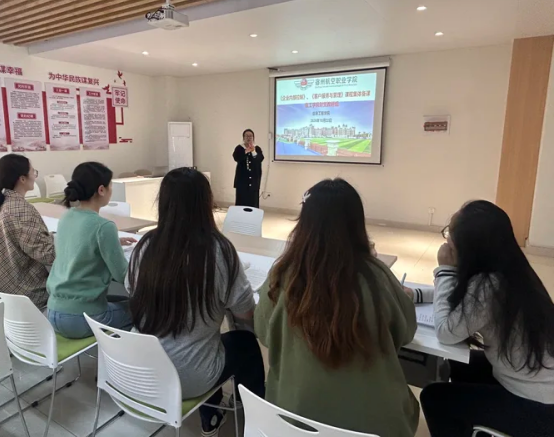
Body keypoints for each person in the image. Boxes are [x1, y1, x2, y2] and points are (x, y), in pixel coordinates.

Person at [255, 178, 419, 437]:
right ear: (357, 224)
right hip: (376, 429)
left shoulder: (283, 275)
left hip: (293, 423)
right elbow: (406, 332)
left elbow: (264, 333)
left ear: (304, 224)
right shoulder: (376, 277)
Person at [127, 167, 265, 437]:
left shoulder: (145, 246)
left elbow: (131, 290)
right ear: (206, 203)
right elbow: (246, 312)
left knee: (204, 344)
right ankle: (253, 414)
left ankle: (212, 415)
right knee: (245, 343)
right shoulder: (219, 251)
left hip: (143, 370)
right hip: (190, 377)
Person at [421, 200, 554, 437]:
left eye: (450, 237)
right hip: (538, 387)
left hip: (538, 408)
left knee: (433, 398)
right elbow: (461, 295)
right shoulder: (511, 270)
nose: (446, 242)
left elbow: (446, 332)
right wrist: (419, 294)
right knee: (460, 364)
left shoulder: (489, 287)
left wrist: (444, 269)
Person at [46, 162, 136, 339]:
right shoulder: (104, 226)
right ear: (101, 190)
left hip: (53, 311)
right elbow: (123, 275)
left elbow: (79, 243)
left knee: (120, 302)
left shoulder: (66, 217)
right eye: (110, 186)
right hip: (81, 318)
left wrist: (113, 242)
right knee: (142, 311)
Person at [0, 154, 55, 309]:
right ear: (22, 179)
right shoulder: (20, 209)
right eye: (33, 172)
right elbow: (48, 255)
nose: (35, 176)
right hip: (24, 293)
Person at [233, 129, 264, 208]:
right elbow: (236, 158)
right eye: (247, 136)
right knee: (241, 201)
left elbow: (260, 159)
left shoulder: (257, 148)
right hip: (242, 181)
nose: (249, 138)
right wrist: (246, 152)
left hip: (254, 180)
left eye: (250, 136)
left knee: (253, 202)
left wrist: (253, 151)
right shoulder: (239, 148)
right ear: (243, 137)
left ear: (253, 138)